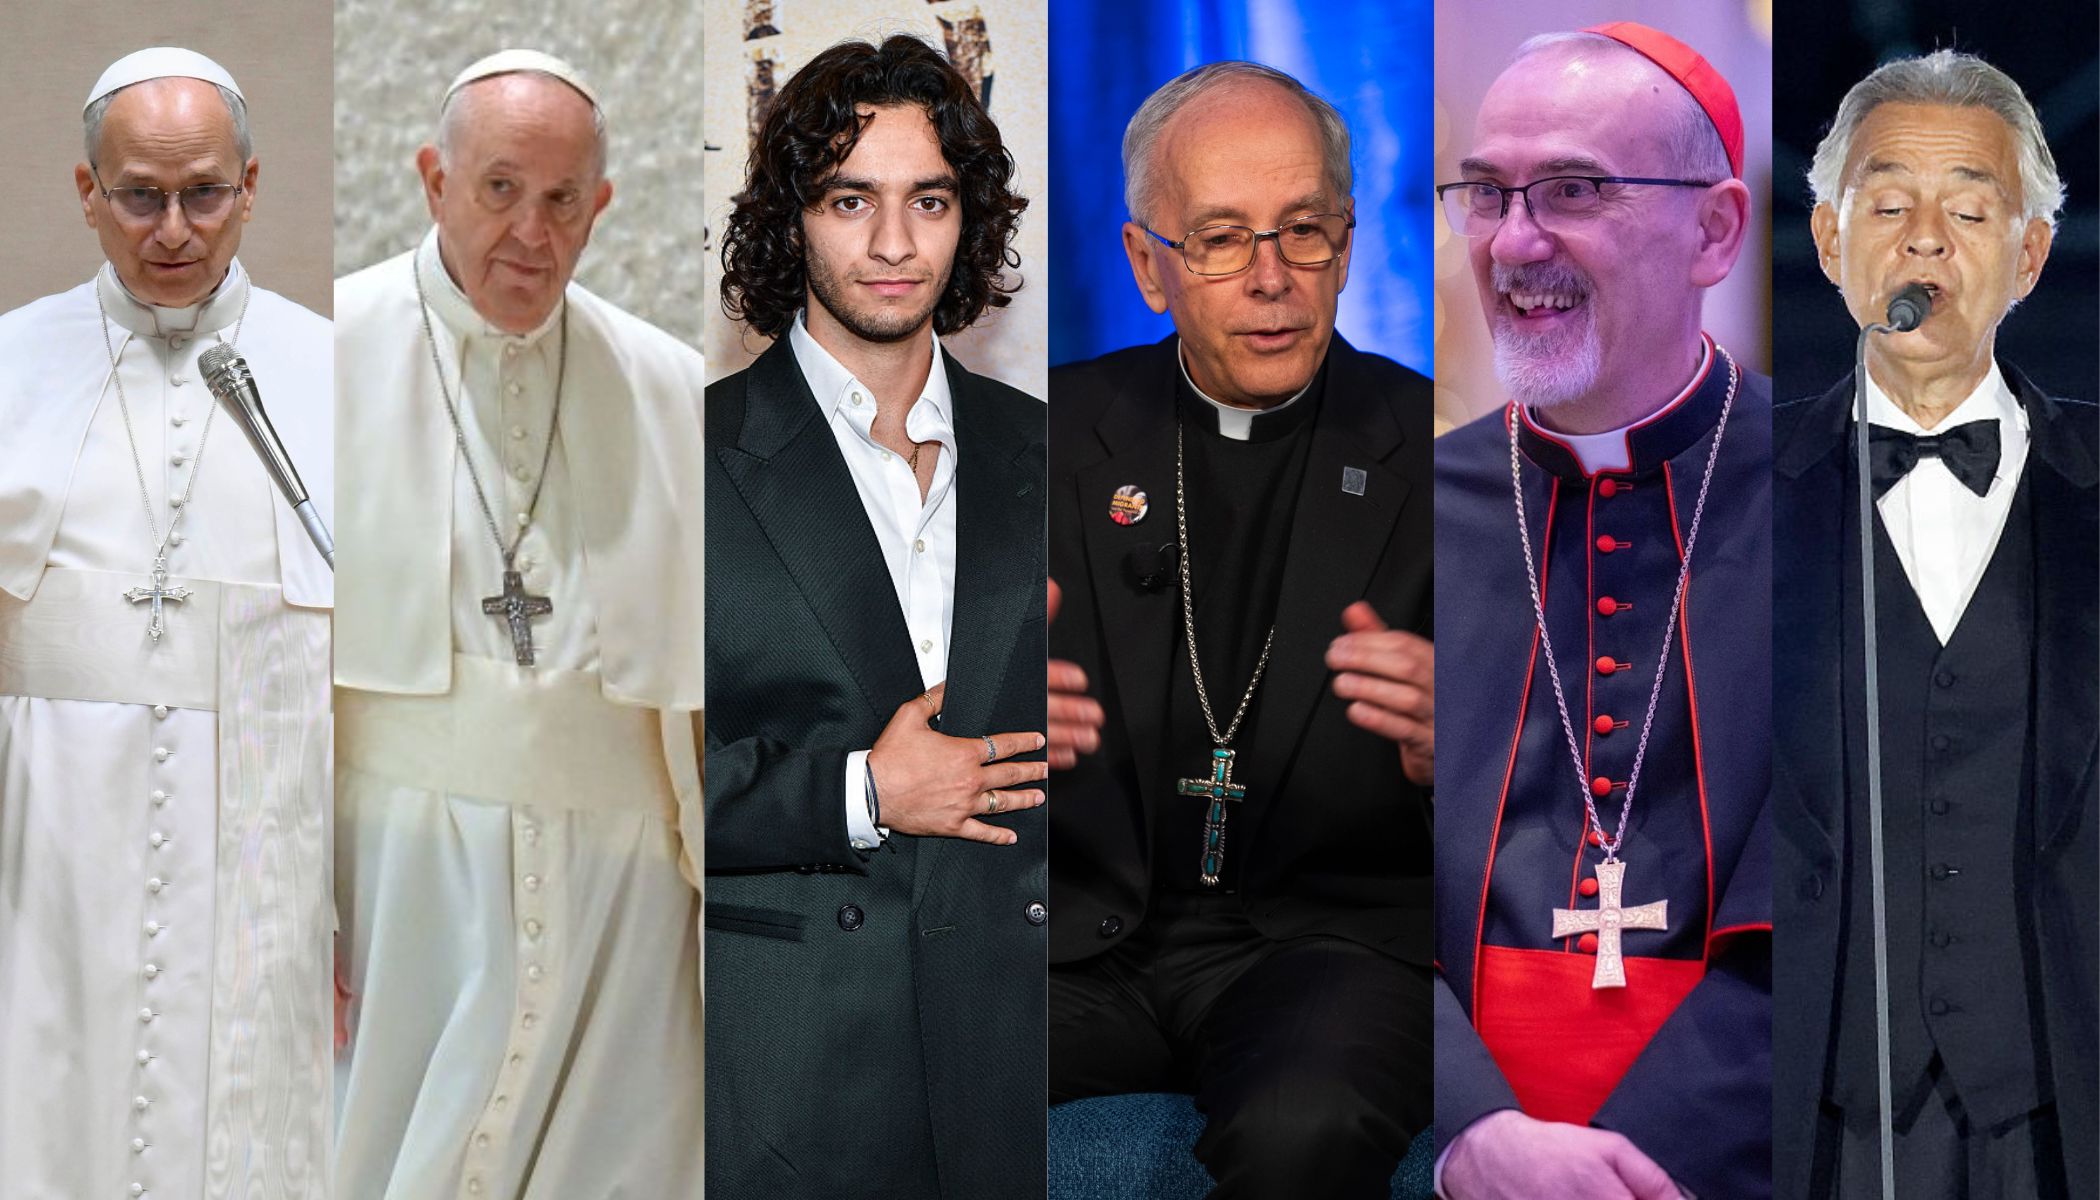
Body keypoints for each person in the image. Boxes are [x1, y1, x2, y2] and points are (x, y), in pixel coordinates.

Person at [1046, 60, 1434, 1198]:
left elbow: (1574, 778)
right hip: (1075, 936)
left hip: (1326, 949)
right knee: (891, 1066)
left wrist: (1457, 753)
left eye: (1304, 231)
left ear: (1349, 244)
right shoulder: (1052, 441)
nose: (1272, 279)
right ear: (1146, 266)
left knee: (1304, 1125)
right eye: (1220, 238)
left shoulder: (1447, 453)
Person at [331, 50, 706, 1198]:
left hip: (624, 903)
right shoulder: (321, 358)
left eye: (560, 202)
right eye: (499, 190)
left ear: (598, 207)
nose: (530, 234)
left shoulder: (673, 389)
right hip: (403, 892)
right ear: (433, 178)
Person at [1431, 24, 1771, 1199]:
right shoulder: (1394, 516)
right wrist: (1466, 1130)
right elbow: (1321, 891)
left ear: (1715, 230)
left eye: (1573, 189)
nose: (1517, 242)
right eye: (1487, 194)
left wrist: (1643, 1160)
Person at [704, 34, 1046, 1199]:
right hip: (791, 1069)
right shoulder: (680, 457)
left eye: (930, 201)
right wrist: (862, 792)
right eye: (852, 199)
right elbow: (622, 785)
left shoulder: (1057, 457)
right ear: (792, 218)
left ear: (970, 221)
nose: (895, 245)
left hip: (1023, 1057)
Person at [0, 47, 334, 1199]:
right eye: (140, 196)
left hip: (262, 848)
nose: (175, 230)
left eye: (206, 194)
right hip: (46, 843)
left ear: (251, 183)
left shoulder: (338, 377)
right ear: (88, 193)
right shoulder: (6, 365)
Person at [1773, 49, 2096, 1199]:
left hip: (2063, 1101)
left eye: (1967, 208)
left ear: (2030, 255)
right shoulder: (1735, 489)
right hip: (1816, 1113)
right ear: (1827, 243)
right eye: (1889, 203)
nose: (1924, 241)